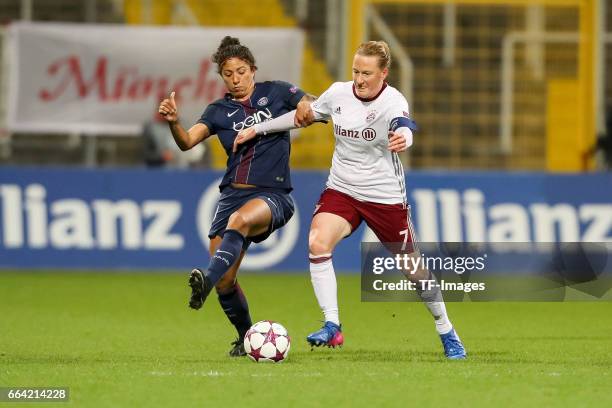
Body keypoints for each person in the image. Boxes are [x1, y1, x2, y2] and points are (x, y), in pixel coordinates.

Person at [235, 41, 467, 359]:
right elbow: (302, 117)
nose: (359, 79)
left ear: (383, 73)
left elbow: (404, 125)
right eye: (356, 71)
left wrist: (404, 138)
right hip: (342, 189)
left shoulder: (393, 101)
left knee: (413, 269)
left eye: (367, 73)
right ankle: (332, 325)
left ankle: (447, 331)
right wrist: (258, 129)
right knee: (317, 243)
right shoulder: (338, 94)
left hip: (384, 196)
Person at [158, 36, 314, 357]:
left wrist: (302, 105)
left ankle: (205, 279)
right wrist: (175, 122)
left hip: (273, 194)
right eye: (229, 74)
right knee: (226, 283)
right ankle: (245, 338)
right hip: (231, 195)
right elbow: (187, 142)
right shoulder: (218, 111)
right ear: (222, 77)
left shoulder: (277, 92)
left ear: (253, 70)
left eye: (242, 71)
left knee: (239, 223)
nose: (237, 79)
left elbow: (311, 106)